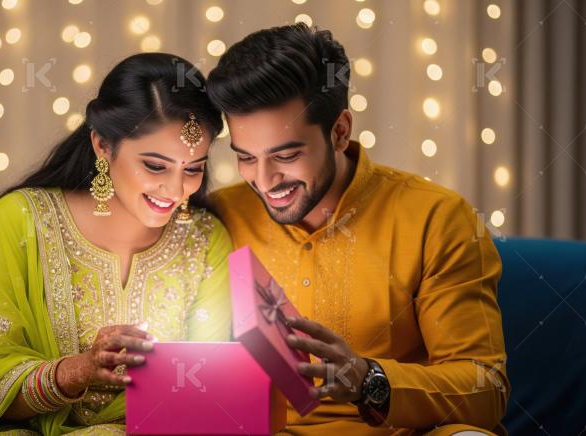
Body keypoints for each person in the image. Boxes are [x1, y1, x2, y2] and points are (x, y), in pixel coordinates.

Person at [207, 23, 509, 435]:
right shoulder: (220, 215)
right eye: (246, 157)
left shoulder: (436, 217)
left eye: (287, 154)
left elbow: (485, 389)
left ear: (340, 131)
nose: (265, 180)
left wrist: (368, 379)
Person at [0, 53, 232, 435]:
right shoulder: (21, 221)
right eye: (155, 165)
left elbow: (209, 391)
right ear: (103, 145)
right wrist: (77, 370)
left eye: (193, 168)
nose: (176, 189)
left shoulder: (205, 240)